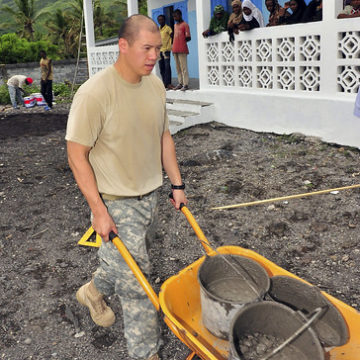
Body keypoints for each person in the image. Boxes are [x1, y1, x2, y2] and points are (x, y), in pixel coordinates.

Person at [65, 14, 187, 360]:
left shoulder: (155, 85)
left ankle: (92, 291)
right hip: (115, 200)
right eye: (146, 48)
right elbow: (77, 155)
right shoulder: (94, 93)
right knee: (138, 284)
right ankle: (146, 353)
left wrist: (176, 183)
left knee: (125, 263)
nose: (154, 56)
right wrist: (99, 212)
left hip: (150, 195)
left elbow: (164, 136)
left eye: (158, 49)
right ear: (123, 46)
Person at [172, 9, 191, 91]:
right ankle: (180, 83)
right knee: (178, 68)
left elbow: (188, 38)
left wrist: (182, 42)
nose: (175, 18)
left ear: (180, 15)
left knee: (184, 68)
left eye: (176, 16)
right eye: (174, 16)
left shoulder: (185, 25)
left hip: (182, 49)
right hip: (175, 49)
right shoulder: (175, 26)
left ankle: (185, 84)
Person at [157, 14, 174, 90]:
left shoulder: (168, 28)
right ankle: (164, 83)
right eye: (159, 20)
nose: (160, 21)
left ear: (164, 20)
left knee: (167, 67)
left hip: (166, 50)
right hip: (159, 51)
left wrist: (170, 46)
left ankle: (169, 83)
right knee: (161, 67)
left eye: (162, 19)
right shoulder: (158, 29)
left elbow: (172, 36)